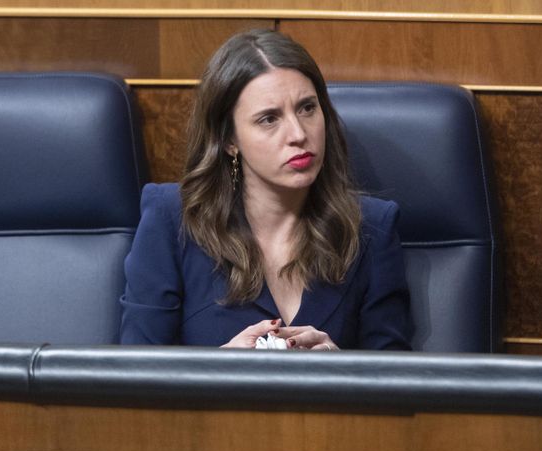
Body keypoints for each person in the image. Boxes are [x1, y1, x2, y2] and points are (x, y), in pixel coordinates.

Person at [119, 29, 413, 350]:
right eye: (269, 119)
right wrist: (216, 372)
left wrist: (341, 371)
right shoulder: (171, 219)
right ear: (230, 141)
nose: (298, 134)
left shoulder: (372, 228)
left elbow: (395, 382)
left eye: (307, 108)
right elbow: (135, 375)